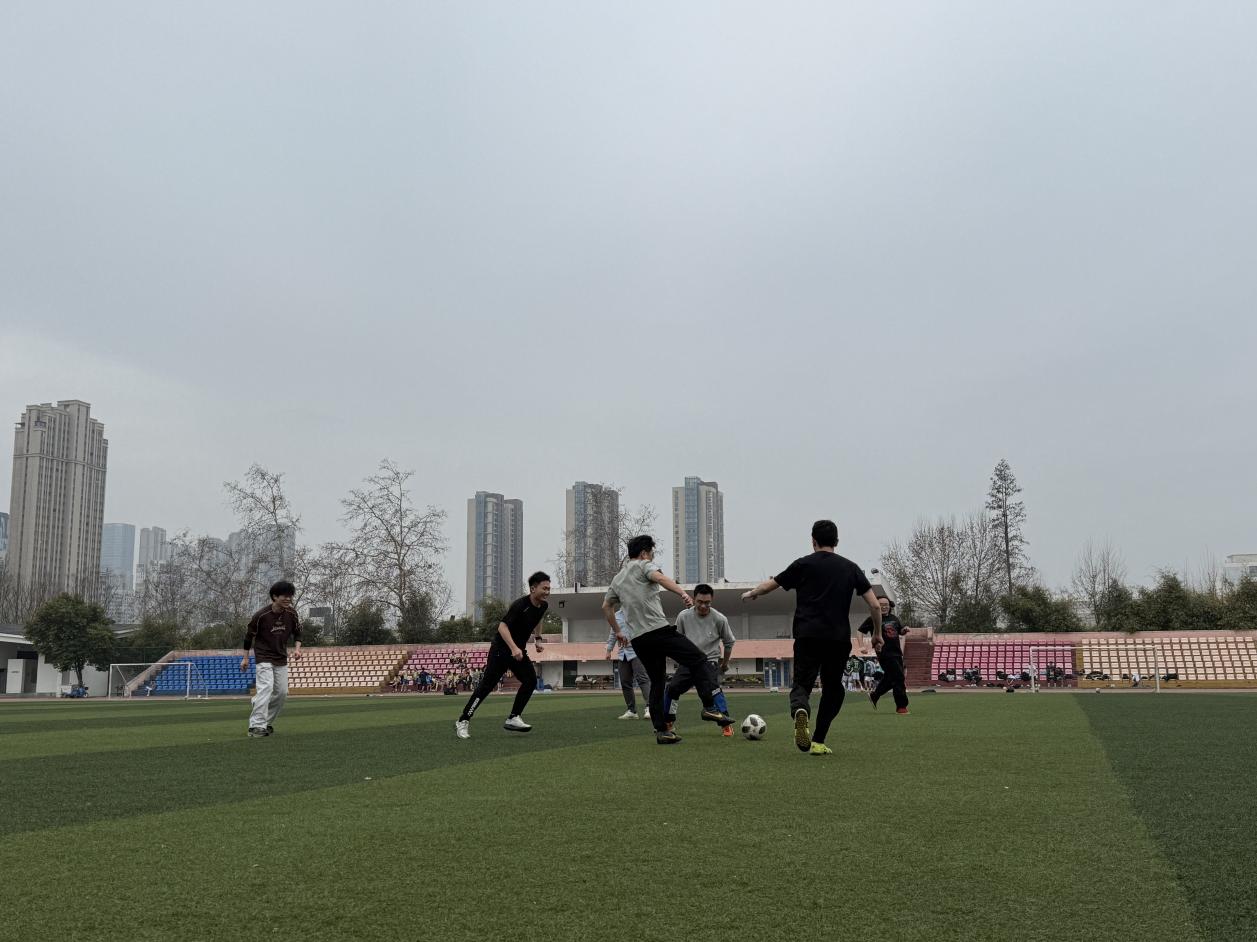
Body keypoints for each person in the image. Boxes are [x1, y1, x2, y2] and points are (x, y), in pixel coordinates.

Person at [742, 520, 881, 756]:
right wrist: (877, 634)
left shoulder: (803, 564)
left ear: (813, 541)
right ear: (837, 541)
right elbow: (875, 605)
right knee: (833, 689)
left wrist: (753, 593)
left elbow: (771, 585)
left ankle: (800, 710)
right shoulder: (851, 568)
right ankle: (818, 740)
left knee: (802, 684)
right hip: (837, 639)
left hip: (807, 635)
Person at [602, 535, 734, 745]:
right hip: (658, 631)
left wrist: (618, 631)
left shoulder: (617, 579)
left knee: (657, 682)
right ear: (644, 553)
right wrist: (682, 593)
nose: (652, 557)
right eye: (652, 553)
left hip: (639, 640)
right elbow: (661, 578)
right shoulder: (643, 565)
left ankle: (662, 731)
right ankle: (709, 707)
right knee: (699, 659)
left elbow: (606, 606)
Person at [455, 572, 549, 739]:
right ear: (533, 589)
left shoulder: (543, 606)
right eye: (544, 588)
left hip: (518, 651)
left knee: (530, 681)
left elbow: (538, 619)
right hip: (501, 650)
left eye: (549, 588)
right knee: (486, 686)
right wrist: (513, 648)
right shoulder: (520, 605)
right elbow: (502, 627)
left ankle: (513, 717)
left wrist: (538, 639)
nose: (547, 592)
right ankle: (463, 720)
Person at [664, 583, 737, 737]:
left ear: (712, 601)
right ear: (694, 599)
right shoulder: (683, 616)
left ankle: (725, 724)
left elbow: (729, 642)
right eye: (700, 602)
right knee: (672, 688)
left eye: (707, 603)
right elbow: (678, 639)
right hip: (688, 661)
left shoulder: (719, 619)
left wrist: (724, 664)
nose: (703, 606)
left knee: (713, 688)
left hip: (709, 660)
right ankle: (668, 722)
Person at [240, 579, 303, 738]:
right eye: (285, 596)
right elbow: (248, 638)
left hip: (281, 657)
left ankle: (265, 721)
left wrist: (297, 650)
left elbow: (298, 633)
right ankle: (256, 726)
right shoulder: (261, 615)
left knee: (282, 693)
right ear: (275, 597)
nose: (288, 599)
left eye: (290, 596)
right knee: (266, 688)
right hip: (263, 656)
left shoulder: (292, 614)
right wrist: (245, 658)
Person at [860, 597, 910, 713]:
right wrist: (861, 646)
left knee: (891, 678)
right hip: (884, 653)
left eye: (886, 604)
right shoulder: (873, 619)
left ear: (890, 606)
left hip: (897, 652)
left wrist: (904, 630)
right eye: (881, 604)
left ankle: (875, 695)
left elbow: (900, 631)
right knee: (898, 678)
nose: (884, 606)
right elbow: (860, 631)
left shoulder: (894, 618)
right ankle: (901, 706)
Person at [606, 609, 652, 720]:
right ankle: (632, 711)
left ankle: (650, 707)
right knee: (625, 682)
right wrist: (608, 650)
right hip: (623, 653)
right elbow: (613, 633)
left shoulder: (639, 612)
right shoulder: (616, 616)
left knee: (642, 679)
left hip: (638, 651)